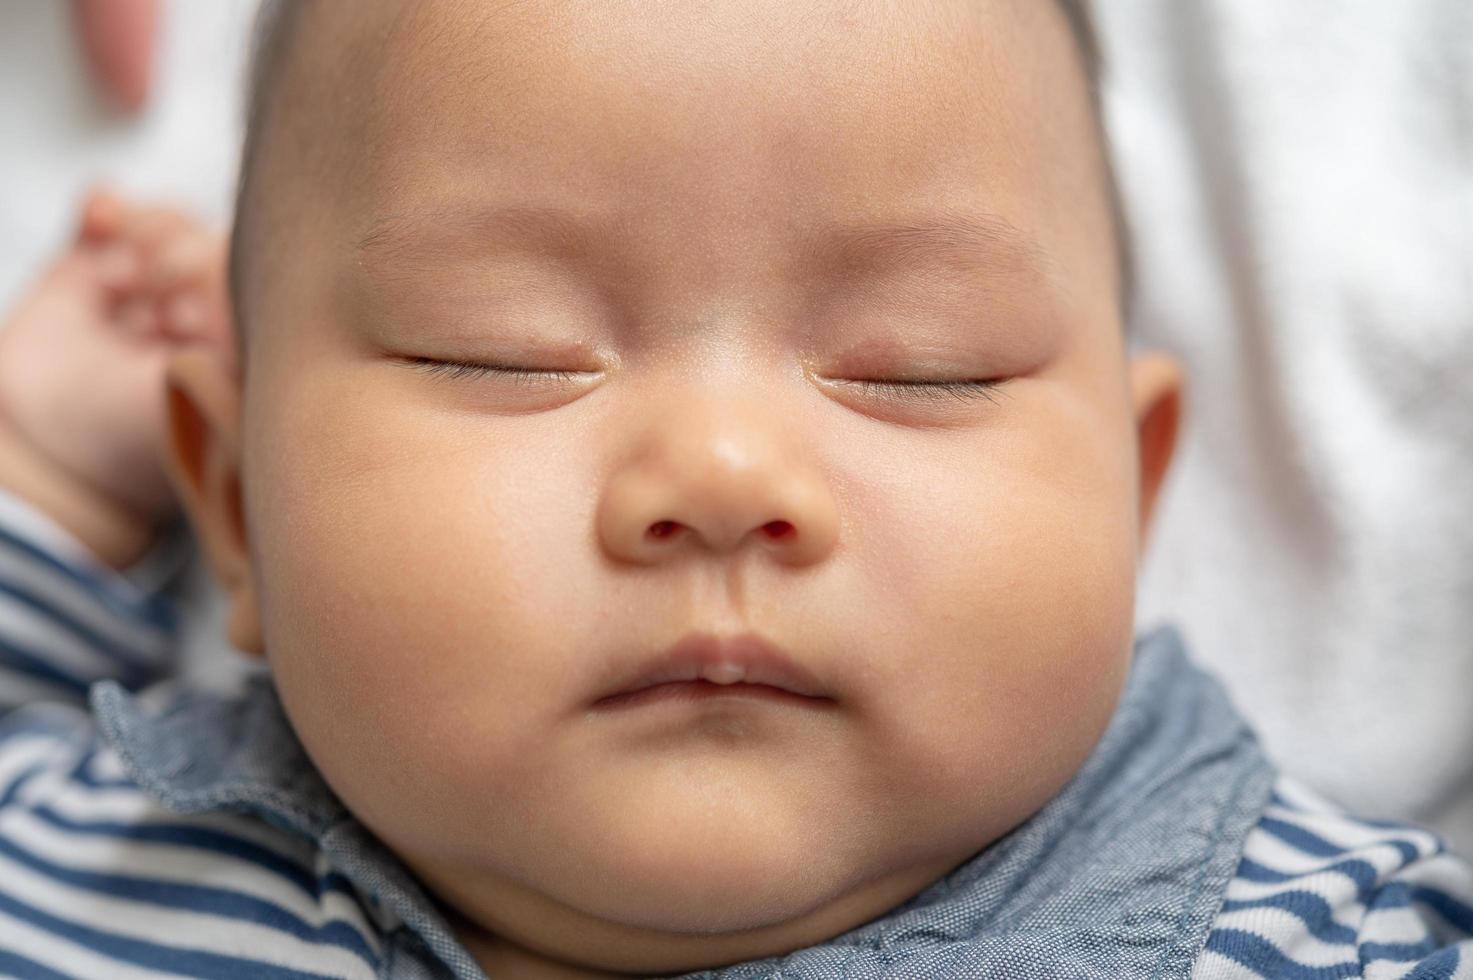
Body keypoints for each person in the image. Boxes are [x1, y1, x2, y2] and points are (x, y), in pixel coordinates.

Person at [0, 1, 1469, 977]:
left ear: (1129, 499)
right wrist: (44, 476)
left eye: (922, 367)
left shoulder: (1340, 941)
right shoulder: (83, 861)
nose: (717, 473)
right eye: (503, 349)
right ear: (240, 508)